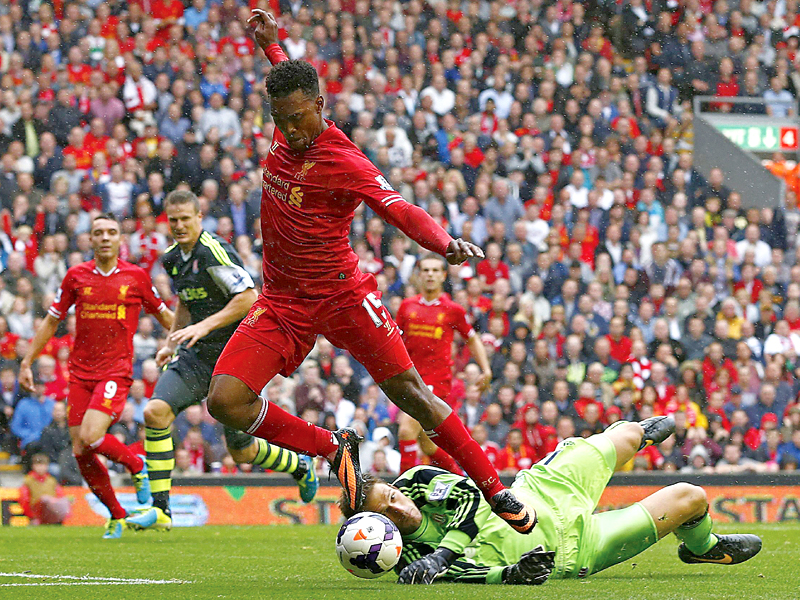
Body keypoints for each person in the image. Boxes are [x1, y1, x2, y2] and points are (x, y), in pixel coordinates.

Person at [205, 9, 537, 535]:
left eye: (298, 119)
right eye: (280, 120)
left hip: (343, 297)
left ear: (321, 106)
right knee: (225, 401)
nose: (290, 130)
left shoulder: (345, 159)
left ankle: (496, 490)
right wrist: (273, 46)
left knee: (414, 396)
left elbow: (398, 208)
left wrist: (444, 242)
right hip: (283, 302)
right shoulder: (290, 123)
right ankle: (333, 449)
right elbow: (291, 77)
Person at [346, 416, 762, 584]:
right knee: (692, 496)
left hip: (542, 490)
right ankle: (704, 548)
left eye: (392, 495)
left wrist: (441, 556)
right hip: (573, 548)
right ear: (381, 530)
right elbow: (460, 578)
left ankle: (630, 430)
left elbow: (471, 502)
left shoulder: (417, 480)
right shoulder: (401, 559)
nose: (399, 506)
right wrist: (509, 575)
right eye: (388, 513)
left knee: (633, 435)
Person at [127, 191, 318, 532]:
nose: (180, 225)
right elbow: (186, 302)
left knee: (242, 453)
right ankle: (161, 511)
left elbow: (247, 297)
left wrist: (203, 325)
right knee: (155, 412)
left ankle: (299, 465)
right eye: (174, 220)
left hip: (235, 355)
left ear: (200, 218)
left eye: (186, 218)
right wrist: (172, 340)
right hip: (197, 356)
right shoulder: (172, 258)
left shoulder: (213, 250)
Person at [19, 213, 174, 539]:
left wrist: (188, 342)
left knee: (90, 435)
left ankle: (136, 465)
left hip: (115, 372)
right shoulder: (76, 276)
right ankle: (117, 514)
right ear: (90, 239)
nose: (104, 237)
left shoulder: (136, 277)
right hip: (80, 374)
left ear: (120, 239)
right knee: (81, 450)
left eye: (111, 232)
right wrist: (26, 361)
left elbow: (164, 316)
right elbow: (51, 322)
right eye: (98, 232)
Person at [395, 254, 493, 474]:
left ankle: (403, 492)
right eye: (426, 270)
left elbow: (472, 338)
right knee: (427, 443)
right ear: (419, 275)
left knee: (406, 429)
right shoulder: (406, 307)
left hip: (435, 381)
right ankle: (462, 481)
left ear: (443, 276)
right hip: (408, 379)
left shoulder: (452, 310)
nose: (430, 274)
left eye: (435, 270)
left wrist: (486, 369)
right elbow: (394, 340)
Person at [18, 453, 72, 525]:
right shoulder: (28, 481)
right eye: (38, 465)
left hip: (51, 511)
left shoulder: (51, 480)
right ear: (33, 466)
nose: (41, 468)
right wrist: (31, 515)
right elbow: (24, 499)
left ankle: (59, 518)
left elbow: (60, 495)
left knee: (65, 500)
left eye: (43, 465)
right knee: (45, 500)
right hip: (37, 513)